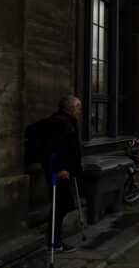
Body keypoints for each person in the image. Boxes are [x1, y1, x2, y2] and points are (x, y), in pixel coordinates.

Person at [42, 95, 84, 252]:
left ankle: (56, 240)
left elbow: (70, 147)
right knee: (60, 205)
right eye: (78, 108)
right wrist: (59, 168)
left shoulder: (68, 121)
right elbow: (54, 148)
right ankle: (54, 242)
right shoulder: (59, 122)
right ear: (70, 108)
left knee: (63, 204)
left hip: (66, 171)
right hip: (58, 173)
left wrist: (77, 164)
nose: (79, 111)